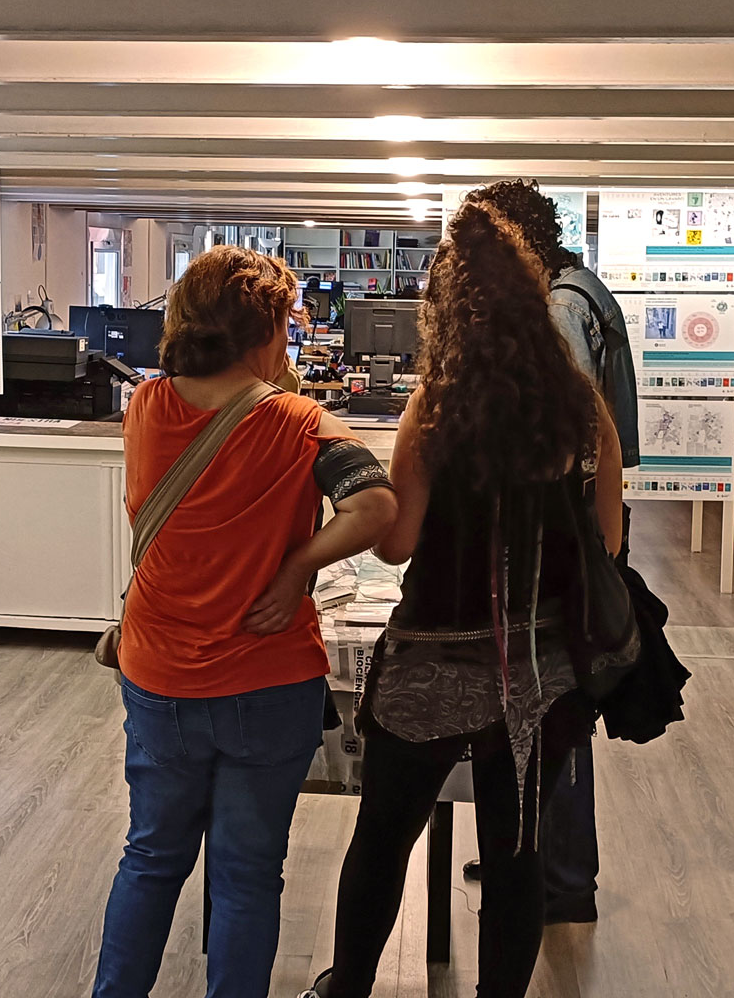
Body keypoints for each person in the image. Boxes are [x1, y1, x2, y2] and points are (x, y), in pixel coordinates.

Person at [304, 203, 624, 998]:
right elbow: (609, 543)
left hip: (431, 669)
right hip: (545, 674)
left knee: (382, 838)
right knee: (516, 854)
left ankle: (348, 990)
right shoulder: (583, 409)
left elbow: (397, 542)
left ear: (444, 311)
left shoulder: (437, 406)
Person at [93, 246, 398, 998]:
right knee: (248, 871)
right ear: (265, 326)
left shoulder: (147, 405)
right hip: (269, 678)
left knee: (152, 857)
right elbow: (377, 507)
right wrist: (297, 566)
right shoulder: (299, 421)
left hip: (160, 673)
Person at [460, 178, 643, 924]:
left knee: (554, 709)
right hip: (577, 536)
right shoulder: (580, 289)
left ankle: (560, 879)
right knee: (538, 708)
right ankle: (525, 854)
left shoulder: (560, 307)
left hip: (558, 542)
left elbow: (557, 437)